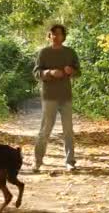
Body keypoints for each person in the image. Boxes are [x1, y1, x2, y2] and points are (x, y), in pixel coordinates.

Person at [33, 24, 81, 172]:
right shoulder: (43, 53)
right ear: (49, 36)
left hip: (65, 95)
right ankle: (37, 162)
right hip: (49, 96)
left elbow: (78, 72)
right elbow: (36, 73)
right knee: (45, 129)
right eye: (53, 34)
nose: (56, 36)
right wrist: (49, 73)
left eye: (59, 34)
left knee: (68, 130)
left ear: (63, 36)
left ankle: (70, 162)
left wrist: (71, 70)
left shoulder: (70, 52)